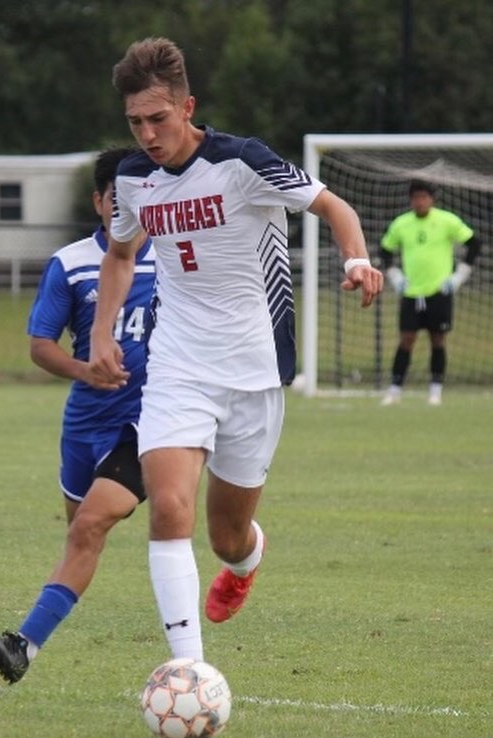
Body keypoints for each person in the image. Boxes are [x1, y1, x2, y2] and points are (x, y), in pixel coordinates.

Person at [88, 37, 383, 660]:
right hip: (177, 365)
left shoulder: (242, 162)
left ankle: (247, 562)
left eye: (158, 118)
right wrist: (100, 331)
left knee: (227, 536)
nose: (147, 134)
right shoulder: (133, 179)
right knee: (169, 507)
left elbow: (334, 206)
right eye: (135, 122)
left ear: (187, 107)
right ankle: (187, 669)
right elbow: (119, 254)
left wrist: (356, 260)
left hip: (254, 370)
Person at [0, 147, 162, 684]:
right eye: (117, 199)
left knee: (89, 526)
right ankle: (30, 646)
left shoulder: (174, 261)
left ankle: (23, 643)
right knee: (81, 537)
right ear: (99, 202)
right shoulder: (72, 263)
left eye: (138, 197)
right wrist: (85, 370)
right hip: (83, 424)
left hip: (148, 422)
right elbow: (40, 346)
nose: (128, 208)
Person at [379, 179, 480, 406]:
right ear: (410, 200)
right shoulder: (401, 224)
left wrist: (459, 276)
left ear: (432, 199)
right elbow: (385, 250)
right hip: (412, 292)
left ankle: (435, 391)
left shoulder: (447, 220)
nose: (420, 202)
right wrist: (395, 275)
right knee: (406, 339)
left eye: (424, 197)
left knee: (438, 339)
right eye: (416, 198)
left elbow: (474, 244)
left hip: (439, 292)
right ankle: (394, 390)